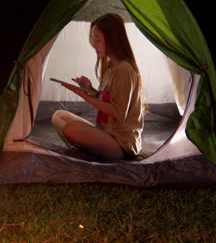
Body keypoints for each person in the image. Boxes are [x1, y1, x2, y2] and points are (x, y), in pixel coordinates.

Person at [51, 13, 145, 161]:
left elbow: (119, 113)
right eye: (93, 39)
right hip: (105, 134)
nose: (94, 45)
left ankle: (91, 151)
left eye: (97, 40)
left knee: (71, 129)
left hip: (121, 144)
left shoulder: (124, 69)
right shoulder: (110, 66)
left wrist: (85, 96)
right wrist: (90, 89)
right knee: (59, 115)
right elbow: (108, 99)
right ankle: (91, 150)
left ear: (112, 40)